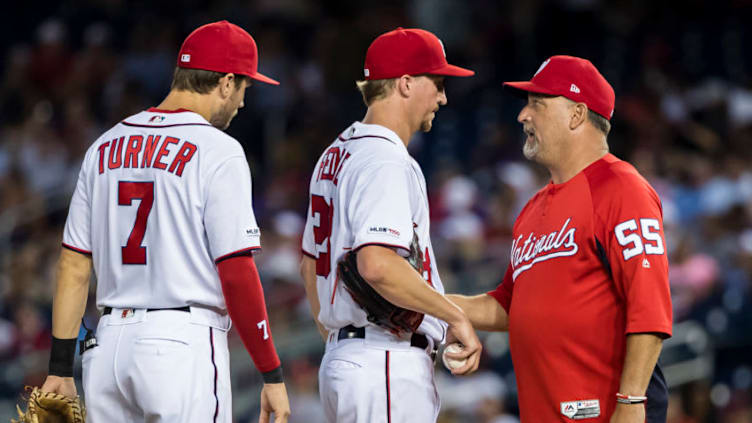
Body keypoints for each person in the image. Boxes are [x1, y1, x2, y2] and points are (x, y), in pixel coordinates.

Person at [39, 20, 291, 423]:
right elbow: (236, 272)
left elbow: (73, 264)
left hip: (107, 352)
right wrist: (272, 373)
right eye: (244, 86)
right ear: (225, 82)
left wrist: (59, 367)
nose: (243, 100)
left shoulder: (104, 145)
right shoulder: (218, 150)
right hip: (179, 346)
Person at [447, 55, 673, 422]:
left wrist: (631, 404)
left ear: (576, 115)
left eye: (537, 103)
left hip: (604, 411)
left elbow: (649, 307)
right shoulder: (532, 208)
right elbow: (509, 305)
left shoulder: (621, 188)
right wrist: (426, 302)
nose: (523, 116)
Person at [299, 27, 483, 422]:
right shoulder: (385, 159)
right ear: (405, 83)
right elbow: (377, 265)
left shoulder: (336, 153)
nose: (443, 97)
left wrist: (338, 338)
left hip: (350, 360)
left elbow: (308, 264)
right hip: (382, 360)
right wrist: (455, 315)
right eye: (437, 83)